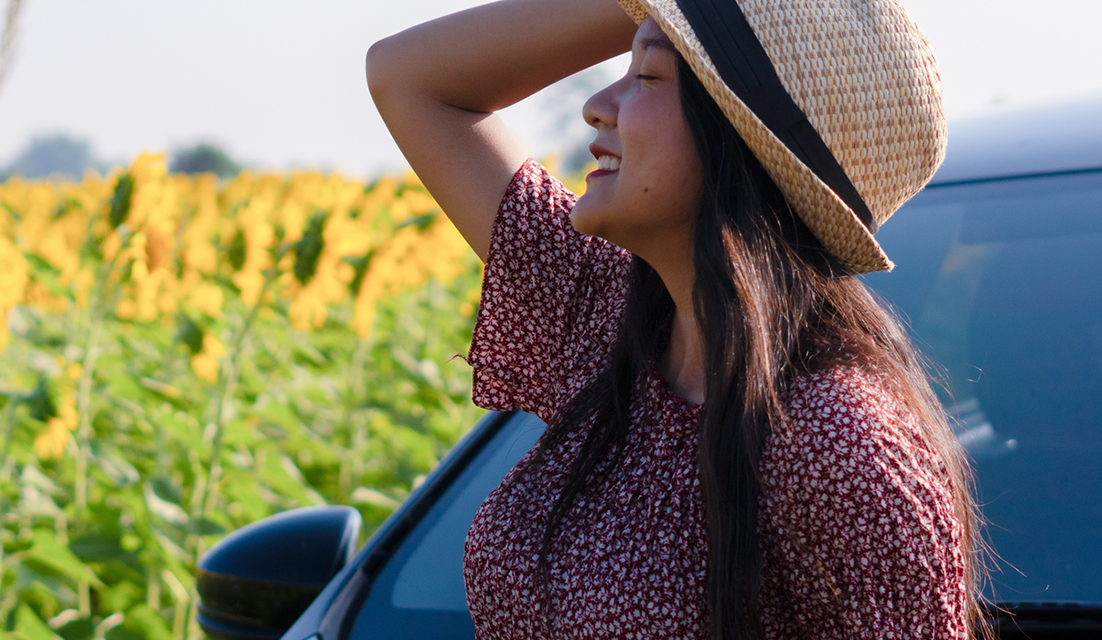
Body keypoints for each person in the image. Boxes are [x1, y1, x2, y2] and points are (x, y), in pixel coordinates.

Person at [366, 0, 982, 638]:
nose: (597, 105)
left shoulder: (837, 442)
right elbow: (406, 76)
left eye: (648, 76)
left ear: (743, 139)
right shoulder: (608, 318)